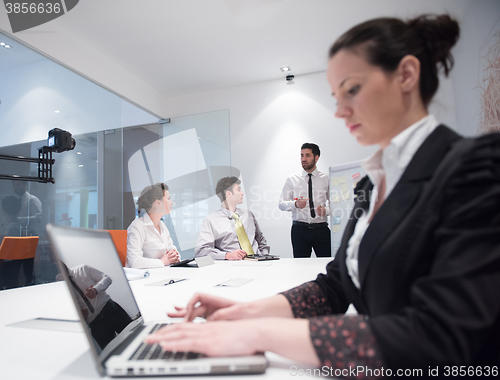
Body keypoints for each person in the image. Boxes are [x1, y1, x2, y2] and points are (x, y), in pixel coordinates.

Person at [147, 15, 500, 373]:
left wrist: (259, 333)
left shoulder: (476, 168)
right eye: (336, 95)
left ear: (406, 75)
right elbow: (334, 287)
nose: (339, 110)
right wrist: (243, 312)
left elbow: (440, 336)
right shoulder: (372, 184)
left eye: (352, 89)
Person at [57, 263, 132, 350]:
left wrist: (96, 289)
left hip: (110, 310)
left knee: (135, 336)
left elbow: (107, 279)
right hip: (96, 325)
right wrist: (79, 315)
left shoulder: (83, 269)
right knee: (113, 353)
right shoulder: (57, 286)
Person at [195, 176, 270, 260]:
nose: (242, 193)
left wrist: (265, 256)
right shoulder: (210, 220)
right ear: (228, 194)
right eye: (238, 190)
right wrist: (226, 255)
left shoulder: (248, 215)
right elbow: (200, 252)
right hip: (231, 267)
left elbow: (261, 240)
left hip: (258, 264)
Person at [279, 143, 331, 258]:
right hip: (299, 231)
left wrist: (326, 211)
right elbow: (281, 204)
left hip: (321, 229)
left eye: (307, 155)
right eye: (301, 155)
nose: (303, 159)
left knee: (326, 264)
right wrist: (295, 204)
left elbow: (337, 204)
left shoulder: (327, 179)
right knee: (300, 267)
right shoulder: (291, 179)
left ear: (316, 158)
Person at [126, 183, 180, 268]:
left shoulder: (162, 226)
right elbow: (135, 262)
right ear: (158, 202)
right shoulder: (138, 226)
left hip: (162, 274)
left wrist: (175, 257)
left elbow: (173, 251)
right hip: (144, 278)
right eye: (168, 199)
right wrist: (163, 262)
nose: (172, 202)